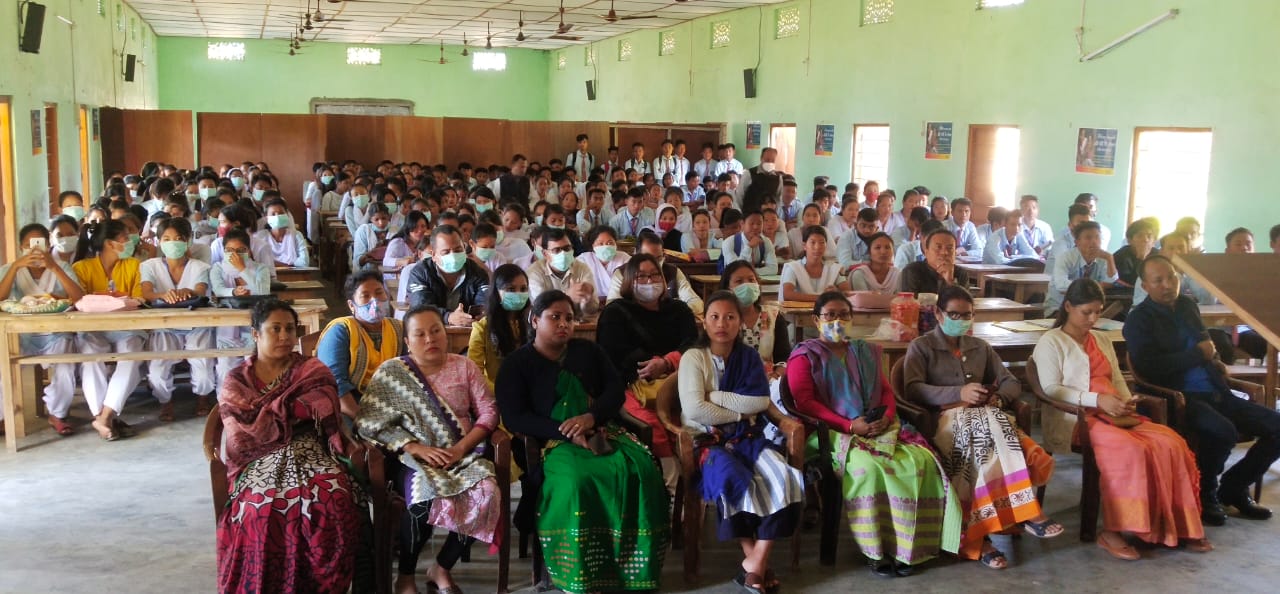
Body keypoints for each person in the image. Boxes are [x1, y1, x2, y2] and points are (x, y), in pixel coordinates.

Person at [495, 290, 669, 594]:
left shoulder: (588, 352)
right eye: (555, 317)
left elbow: (615, 391)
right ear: (535, 320)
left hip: (601, 430)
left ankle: (631, 569)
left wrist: (590, 419)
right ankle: (579, 573)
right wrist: (565, 430)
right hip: (551, 444)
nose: (564, 324)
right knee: (577, 481)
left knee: (642, 469)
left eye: (569, 318)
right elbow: (515, 417)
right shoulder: (516, 364)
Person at [1032, 279, 1211, 558]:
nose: (1092, 319)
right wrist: (1097, 400)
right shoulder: (1051, 342)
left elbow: (1115, 378)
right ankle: (1114, 530)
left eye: (1097, 312)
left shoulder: (1100, 339)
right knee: (1131, 449)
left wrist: (1127, 402)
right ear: (1067, 307)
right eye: (1086, 312)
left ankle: (1178, 526)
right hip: (1079, 418)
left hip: (1115, 411)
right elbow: (1052, 389)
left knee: (1171, 442)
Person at [787, 292, 961, 576]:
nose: (837, 320)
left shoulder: (864, 351)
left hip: (876, 427)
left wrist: (887, 418)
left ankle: (910, 547)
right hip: (830, 433)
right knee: (868, 468)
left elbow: (885, 392)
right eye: (830, 315)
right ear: (816, 320)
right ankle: (876, 550)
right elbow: (805, 403)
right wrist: (849, 426)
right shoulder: (806, 355)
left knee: (920, 461)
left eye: (844, 314)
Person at [216, 300, 372, 594]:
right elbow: (240, 435)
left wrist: (277, 412)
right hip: (258, 459)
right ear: (256, 334)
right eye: (275, 329)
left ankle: (322, 587)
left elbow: (325, 404)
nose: (285, 336)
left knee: (334, 498)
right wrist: (288, 409)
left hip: (310, 450)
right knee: (259, 509)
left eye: (290, 329)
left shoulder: (311, 369)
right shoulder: (237, 379)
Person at [903, 285, 1060, 568]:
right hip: (946, 420)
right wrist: (958, 394)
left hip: (986, 417)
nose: (961, 320)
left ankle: (980, 538)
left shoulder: (980, 348)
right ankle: (1024, 512)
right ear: (938, 314)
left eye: (967, 315)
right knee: (984, 439)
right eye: (954, 314)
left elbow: (1011, 381)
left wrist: (998, 398)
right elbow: (913, 389)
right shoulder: (922, 347)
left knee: (986, 442)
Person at [1124, 255, 1280, 526]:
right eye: (1158, 280)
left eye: (1172, 277)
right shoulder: (1139, 320)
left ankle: (1233, 487)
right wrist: (1197, 354)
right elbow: (1149, 368)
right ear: (1145, 285)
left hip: (1216, 390)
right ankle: (1206, 494)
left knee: (1277, 427)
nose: (1167, 284)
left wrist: (1213, 359)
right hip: (1180, 397)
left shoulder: (1186, 305)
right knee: (1223, 431)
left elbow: (1206, 343)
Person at [357, 306, 502, 594]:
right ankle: (407, 575)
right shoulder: (392, 373)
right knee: (423, 499)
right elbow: (369, 422)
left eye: (435, 330)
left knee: (487, 494)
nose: (429, 339)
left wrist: (461, 448)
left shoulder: (464, 367)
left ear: (445, 333)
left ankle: (442, 567)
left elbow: (488, 411)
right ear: (408, 342)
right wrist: (414, 447)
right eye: (419, 334)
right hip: (413, 460)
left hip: (462, 454)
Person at [679, 291, 803, 592]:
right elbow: (695, 410)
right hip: (708, 441)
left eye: (730, 317)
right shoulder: (693, 358)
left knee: (783, 475)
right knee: (732, 479)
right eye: (715, 317)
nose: (722, 323)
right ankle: (758, 564)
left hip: (750, 438)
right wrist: (738, 412)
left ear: (740, 323)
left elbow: (760, 401)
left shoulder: (748, 357)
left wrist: (717, 398)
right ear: (704, 323)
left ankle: (754, 563)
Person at [596, 254, 699, 491]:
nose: (649, 280)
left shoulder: (679, 310)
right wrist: (646, 365)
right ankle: (668, 488)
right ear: (629, 281)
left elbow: (694, 346)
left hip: (680, 383)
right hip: (633, 387)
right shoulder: (616, 312)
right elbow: (611, 357)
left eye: (654, 275)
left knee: (689, 426)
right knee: (654, 428)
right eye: (641, 276)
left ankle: (693, 494)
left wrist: (667, 362)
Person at [0, 223, 84, 436]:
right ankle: (3, 417)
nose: (35, 250)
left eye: (39, 244)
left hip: (55, 334)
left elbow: (78, 298)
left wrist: (54, 267)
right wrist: (14, 267)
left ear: (48, 245)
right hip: (20, 336)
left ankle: (57, 412)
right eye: (29, 245)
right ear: (21, 247)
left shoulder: (60, 267)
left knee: (66, 362)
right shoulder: (10, 269)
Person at [73, 219, 147, 442]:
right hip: (93, 328)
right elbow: (78, 302)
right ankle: (105, 417)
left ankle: (103, 417)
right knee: (91, 358)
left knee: (132, 356)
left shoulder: (134, 265)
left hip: (127, 327)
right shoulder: (82, 268)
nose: (131, 241)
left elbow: (138, 299)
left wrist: (108, 301)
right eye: (125, 238)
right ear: (110, 243)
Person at [140, 217, 215, 420]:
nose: (173, 242)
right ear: (159, 242)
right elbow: (146, 292)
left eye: (178, 238)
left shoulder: (200, 267)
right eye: (166, 238)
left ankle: (202, 397)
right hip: (164, 325)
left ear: (188, 241)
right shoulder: (150, 265)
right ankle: (166, 401)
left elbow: (201, 290)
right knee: (157, 369)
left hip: (195, 324)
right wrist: (162, 295)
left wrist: (187, 291)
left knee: (204, 369)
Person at [318, 270, 405, 420]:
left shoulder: (399, 329)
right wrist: (364, 421)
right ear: (352, 305)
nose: (375, 301)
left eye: (379, 293)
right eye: (365, 296)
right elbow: (335, 384)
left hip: (391, 401)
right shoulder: (341, 331)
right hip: (348, 405)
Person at [405, 225, 491, 327]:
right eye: (446, 252)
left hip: (469, 334)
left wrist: (481, 314)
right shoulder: (420, 273)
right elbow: (422, 308)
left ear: (464, 248)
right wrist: (448, 317)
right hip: (429, 331)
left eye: (458, 250)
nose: (453, 256)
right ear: (433, 255)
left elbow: (485, 304)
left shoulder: (477, 273)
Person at [606, 230, 706, 315]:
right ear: (636, 254)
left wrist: (673, 310)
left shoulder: (673, 272)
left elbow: (696, 303)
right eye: (648, 258)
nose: (654, 264)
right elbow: (611, 306)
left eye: (658, 258)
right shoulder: (622, 273)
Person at [720, 261, 789, 378]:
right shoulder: (722, 320)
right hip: (735, 383)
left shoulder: (773, 316)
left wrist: (776, 375)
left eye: (751, 280)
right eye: (739, 281)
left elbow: (784, 357)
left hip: (770, 383)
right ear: (728, 288)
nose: (747, 285)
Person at [467, 264, 530, 391]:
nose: (518, 294)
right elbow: (475, 373)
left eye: (523, 289)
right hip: (495, 392)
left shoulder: (534, 323)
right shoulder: (482, 327)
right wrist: (501, 392)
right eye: (511, 289)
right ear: (496, 292)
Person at [1044, 221, 1118, 315]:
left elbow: (1111, 282)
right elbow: (1061, 286)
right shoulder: (1066, 258)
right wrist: (1093, 287)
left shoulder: (1103, 258)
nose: (1094, 242)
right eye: (1088, 237)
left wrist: (1110, 258)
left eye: (1097, 237)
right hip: (1060, 309)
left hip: (1089, 311)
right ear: (1077, 242)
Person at [527, 228, 599, 319]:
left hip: (576, 323)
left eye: (567, 248)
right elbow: (541, 309)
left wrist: (587, 300)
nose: (563, 254)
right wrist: (566, 296)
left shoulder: (582, 268)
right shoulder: (534, 272)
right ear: (545, 254)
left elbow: (593, 309)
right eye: (556, 250)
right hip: (548, 326)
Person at [780, 226, 848, 302]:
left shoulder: (833, 268)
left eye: (822, 243)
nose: (817, 247)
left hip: (827, 313)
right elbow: (787, 295)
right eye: (813, 242)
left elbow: (848, 293)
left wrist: (837, 292)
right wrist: (822, 298)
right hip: (800, 313)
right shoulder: (793, 267)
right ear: (804, 246)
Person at [900, 229, 969, 295]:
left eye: (950, 248)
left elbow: (963, 305)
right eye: (938, 247)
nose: (944, 252)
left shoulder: (961, 273)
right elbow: (910, 303)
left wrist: (950, 281)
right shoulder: (912, 271)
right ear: (926, 252)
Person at [577, 225, 630, 300]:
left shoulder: (624, 258)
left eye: (610, 243)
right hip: (590, 303)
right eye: (600, 244)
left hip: (619, 302)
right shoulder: (583, 259)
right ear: (592, 245)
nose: (606, 247)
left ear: (615, 243)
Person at [254, 199, 310, 268]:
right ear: (267, 217)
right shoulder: (260, 237)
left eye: (281, 213)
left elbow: (304, 262)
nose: (277, 216)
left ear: (287, 214)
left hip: (293, 275)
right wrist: (289, 264)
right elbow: (257, 262)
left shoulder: (296, 235)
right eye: (273, 214)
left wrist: (275, 264)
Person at [720, 210, 778, 276]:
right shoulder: (729, 242)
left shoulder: (765, 242)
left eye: (759, 224)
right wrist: (749, 247)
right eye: (751, 223)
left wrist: (752, 273)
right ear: (742, 224)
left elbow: (773, 269)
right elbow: (735, 270)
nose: (756, 227)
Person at [1113, 218, 1156, 288]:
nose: (1146, 240)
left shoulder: (1157, 255)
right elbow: (1131, 282)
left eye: (1149, 236)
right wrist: (1141, 257)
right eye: (1140, 236)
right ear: (1130, 240)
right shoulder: (1120, 256)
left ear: (1154, 240)